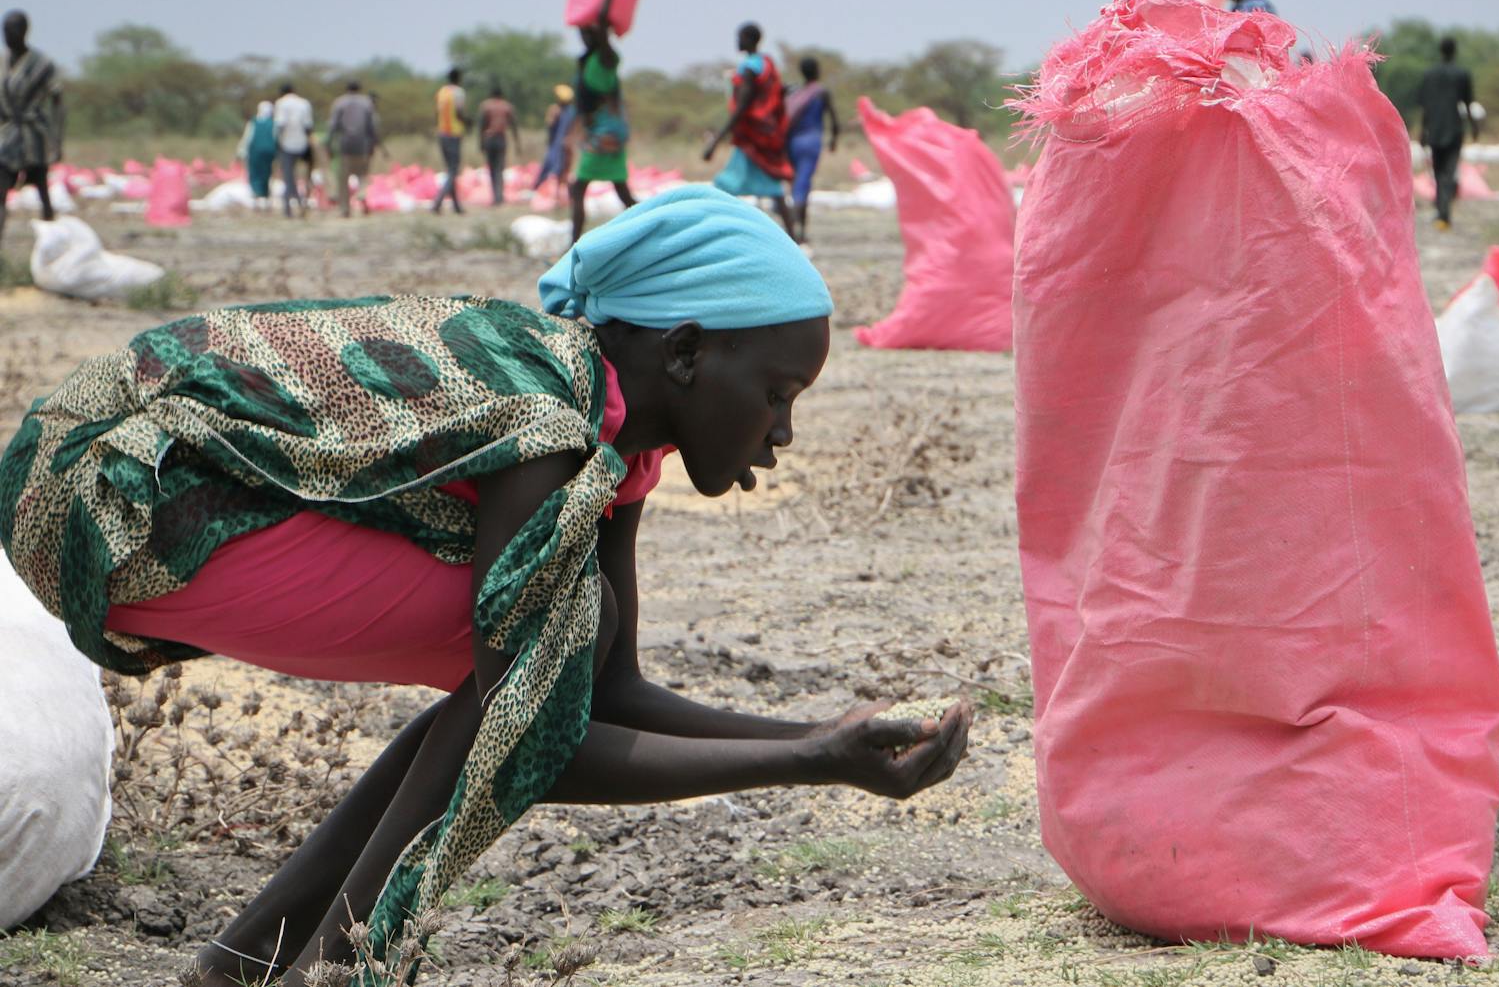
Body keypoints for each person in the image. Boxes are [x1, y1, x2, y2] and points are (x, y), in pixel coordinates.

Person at [0, 184, 974, 985]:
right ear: (684, 353)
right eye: (776, 395)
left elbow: (607, 694)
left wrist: (826, 737)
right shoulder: (546, 421)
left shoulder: (617, 444)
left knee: (547, 648)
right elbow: (534, 737)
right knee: (544, 651)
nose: (783, 432)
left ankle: (243, 964)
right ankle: (335, 967)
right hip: (105, 496)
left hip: (147, 494)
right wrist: (808, 759)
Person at [704, 22, 795, 239]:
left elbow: (742, 106)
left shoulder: (749, 68)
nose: (737, 41)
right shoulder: (766, 64)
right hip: (764, 134)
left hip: (751, 138)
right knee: (771, 189)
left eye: (740, 37)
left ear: (749, 39)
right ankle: (793, 238)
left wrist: (716, 140)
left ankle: (719, 234)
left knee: (725, 185)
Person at [571, 0, 638, 239]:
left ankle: (573, 245)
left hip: (606, 132)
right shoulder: (590, 60)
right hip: (604, 130)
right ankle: (652, 228)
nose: (583, 35)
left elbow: (601, 21)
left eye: (587, 32)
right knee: (621, 191)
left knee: (579, 188)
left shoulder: (607, 57)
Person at [0, 10, 64, 245]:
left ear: (24, 32)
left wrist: (57, 140)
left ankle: (52, 242)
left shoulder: (41, 64)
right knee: (1, 189)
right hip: (7, 135)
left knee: (41, 190)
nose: (8, 36)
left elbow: (58, 102)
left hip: (34, 135)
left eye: (12, 31)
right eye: (5, 30)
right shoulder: (2, 63)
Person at [1417, 36, 1479, 231]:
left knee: (1439, 171)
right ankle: (1444, 210)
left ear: (1441, 50)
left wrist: (1423, 131)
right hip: (1454, 128)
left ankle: (1442, 210)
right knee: (1449, 172)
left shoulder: (1429, 75)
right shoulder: (1462, 74)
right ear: (1454, 51)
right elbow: (1468, 104)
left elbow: (1426, 106)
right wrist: (1474, 126)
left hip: (1435, 128)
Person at [783, 56, 840, 248]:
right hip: (811, 143)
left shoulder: (796, 94)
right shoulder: (821, 93)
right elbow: (834, 120)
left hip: (791, 143)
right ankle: (797, 233)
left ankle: (797, 232)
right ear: (817, 70)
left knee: (796, 185)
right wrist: (833, 140)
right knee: (802, 187)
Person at [327, 80, 380, 218]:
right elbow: (372, 126)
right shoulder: (367, 103)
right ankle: (362, 194)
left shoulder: (339, 102)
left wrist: (329, 143)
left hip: (345, 144)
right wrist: (373, 144)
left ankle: (345, 209)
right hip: (363, 144)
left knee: (343, 178)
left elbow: (333, 126)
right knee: (362, 174)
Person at [272, 82, 315, 218]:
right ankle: (301, 202)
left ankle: (289, 208)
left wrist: (277, 142)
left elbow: (280, 124)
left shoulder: (281, 103)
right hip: (303, 144)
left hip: (287, 144)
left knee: (288, 176)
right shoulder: (304, 103)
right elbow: (308, 126)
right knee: (305, 176)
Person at [476, 83, 522, 207]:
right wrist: (517, 143)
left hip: (489, 138)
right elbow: (514, 126)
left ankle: (495, 197)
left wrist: (480, 142)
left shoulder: (486, 106)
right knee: (499, 168)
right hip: (501, 138)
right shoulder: (507, 106)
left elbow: (481, 125)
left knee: (492, 169)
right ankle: (499, 197)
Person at [432, 67, 470, 215]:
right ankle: (438, 202)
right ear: (458, 78)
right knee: (453, 170)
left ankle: (456, 206)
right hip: (453, 134)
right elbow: (459, 112)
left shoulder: (441, 92)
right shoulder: (458, 92)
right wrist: (468, 122)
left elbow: (437, 113)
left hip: (442, 133)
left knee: (450, 170)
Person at [533, 83, 577, 204]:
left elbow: (550, 125)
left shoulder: (560, 111)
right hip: (564, 144)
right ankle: (563, 195)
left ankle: (559, 194)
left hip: (559, 145)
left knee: (558, 171)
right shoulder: (570, 111)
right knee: (560, 171)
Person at [235, 101, 276, 212]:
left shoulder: (253, 123)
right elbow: (276, 138)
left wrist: (240, 152)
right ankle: (266, 201)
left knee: (255, 175)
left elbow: (247, 138)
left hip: (255, 153)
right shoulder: (273, 123)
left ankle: (256, 201)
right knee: (266, 175)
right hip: (269, 153)